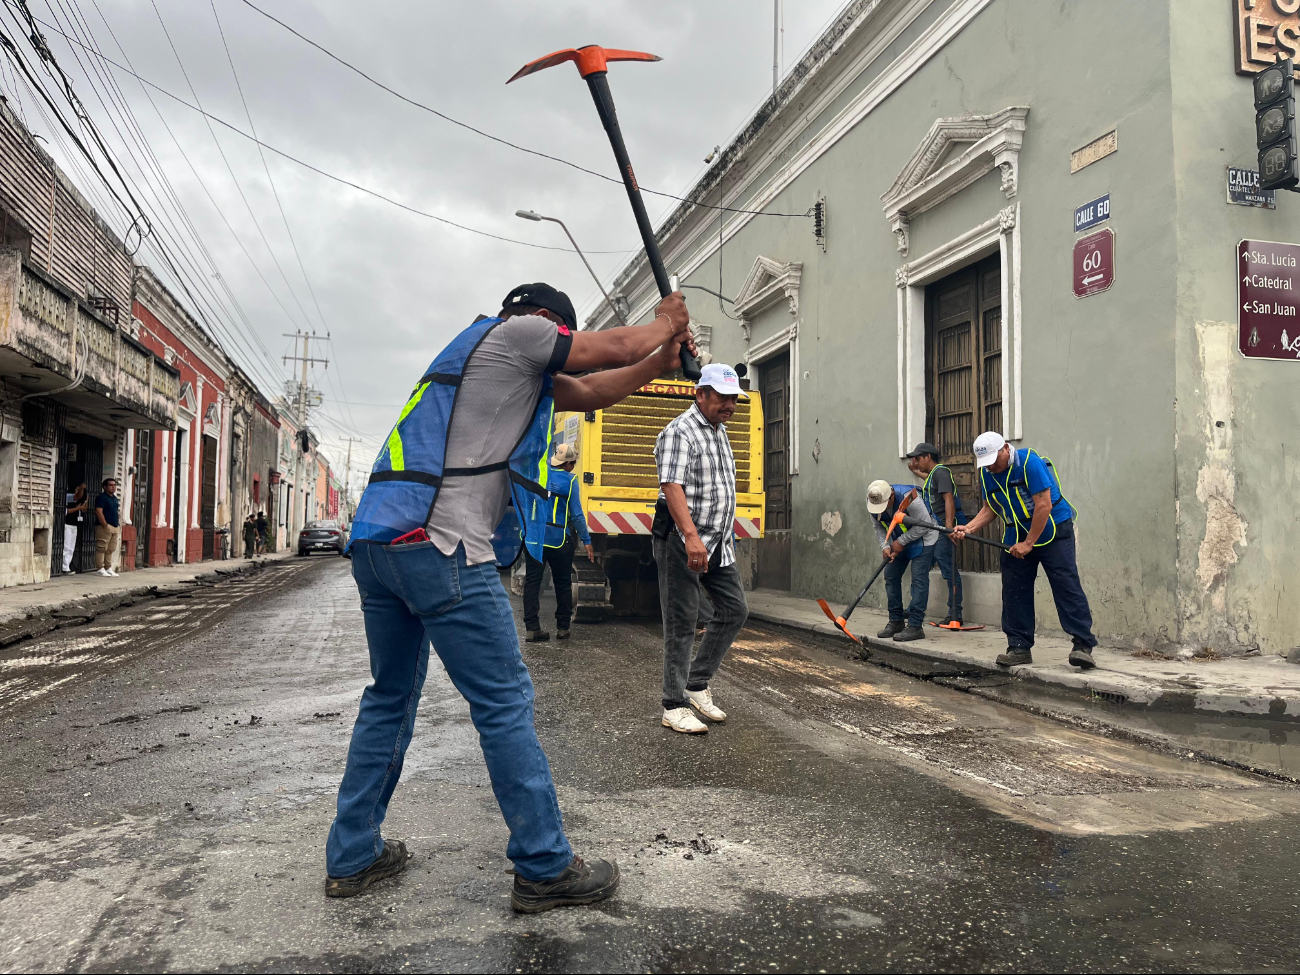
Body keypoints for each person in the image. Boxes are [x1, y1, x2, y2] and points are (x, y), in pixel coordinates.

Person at [333, 281, 696, 913]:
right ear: (548, 325)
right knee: (503, 702)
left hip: (378, 544)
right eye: (562, 339)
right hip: (441, 546)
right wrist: (666, 323)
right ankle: (544, 865)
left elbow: (592, 390)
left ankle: (352, 854)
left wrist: (657, 366)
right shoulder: (523, 335)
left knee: (388, 698)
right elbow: (608, 347)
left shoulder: (479, 363)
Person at [653, 362, 749, 735]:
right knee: (682, 622)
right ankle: (673, 704)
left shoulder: (718, 431)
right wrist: (691, 536)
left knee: (734, 609)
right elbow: (671, 485)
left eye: (733, 399)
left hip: (717, 543)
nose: (729, 405)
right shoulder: (681, 431)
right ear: (700, 394)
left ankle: (695, 684)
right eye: (722, 398)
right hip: (684, 540)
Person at [951, 431, 1098, 669]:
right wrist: (968, 528)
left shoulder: (1030, 462)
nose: (990, 468)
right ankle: (1018, 646)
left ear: (1006, 449)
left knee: (1066, 585)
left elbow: (1044, 504)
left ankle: (1082, 645)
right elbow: (991, 507)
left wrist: (1029, 544)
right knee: (1014, 590)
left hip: (1053, 530)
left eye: (993, 461)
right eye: (985, 464)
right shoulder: (988, 473)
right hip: (1016, 533)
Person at [523, 443, 595, 643]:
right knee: (562, 584)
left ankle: (532, 628)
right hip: (559, 541)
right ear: (569, 464)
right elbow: (578, 515)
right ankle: (562, 628)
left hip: (535, 539)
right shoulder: (571, 481)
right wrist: (586, 540)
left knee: (532, 583)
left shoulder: (539, 474)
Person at [867, 479, 939, 642]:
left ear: (891, 495)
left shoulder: (910, 499)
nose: (883, 509)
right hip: (898, 540)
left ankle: (915, 626)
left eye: (885, 505)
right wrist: (885, 546)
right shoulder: (873, 500)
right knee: (891, 576)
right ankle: (896, 621)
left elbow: (925, 524)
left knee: (919, 579)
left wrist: (901, 541)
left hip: (924, 538)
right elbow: (878, 527)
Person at [906, 443, 965, 626]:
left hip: (941, 529)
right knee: (921, 567)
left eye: (917, 458)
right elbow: (930, 481)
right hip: (933, 530)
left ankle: (955, 613)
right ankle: (914, 607)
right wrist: (916, 472)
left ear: (927, 457)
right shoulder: (934, 475)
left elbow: (948, 500)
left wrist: (948, 528)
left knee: (949, 570)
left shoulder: (941, 472)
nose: (916, 462)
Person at [93, 478, 121, 578]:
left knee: (110, 549)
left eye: (114, 485)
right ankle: (100, 568)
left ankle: (108, 568)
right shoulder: (102, 497)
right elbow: (98, 512)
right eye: (110, 485)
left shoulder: (114, 498)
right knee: (101, 548)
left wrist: (118, 524)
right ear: (105, 487)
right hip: (104, 526)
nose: (113, 487)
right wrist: (105, 525)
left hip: (115, 526)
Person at [62, 481, 88, 574]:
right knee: (67, 546)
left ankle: (67, 565)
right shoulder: (69, 497)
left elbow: (84, 509)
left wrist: (86, 500)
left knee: (71, 547)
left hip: (74, 525)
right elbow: (66, 511)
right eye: (77, 490)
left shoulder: (79, 501)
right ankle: (64, 567)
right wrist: (76, 509)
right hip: (67, 524)